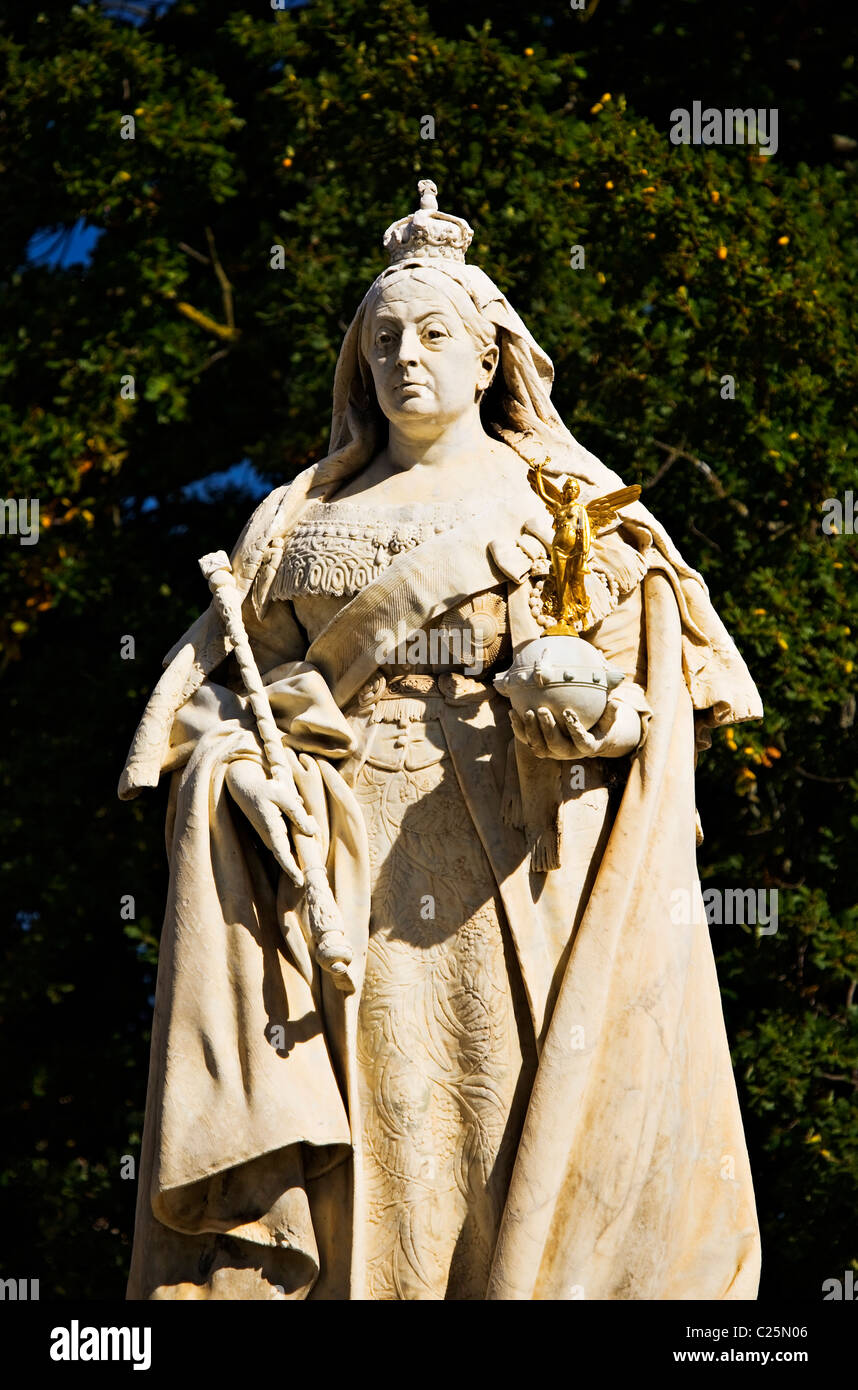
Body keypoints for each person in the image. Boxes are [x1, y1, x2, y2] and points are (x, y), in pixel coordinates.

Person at [119, 183, 763, 1301]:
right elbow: (223, 703)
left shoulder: (567, 502)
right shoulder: (292, 521)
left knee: (514, 1121)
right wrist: (231, 778)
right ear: (357, 366)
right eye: (382, 341)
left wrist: (583, 704)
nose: (405, 358)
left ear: (487, 357)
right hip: (340, 869)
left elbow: (642, 710)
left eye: (432, 336)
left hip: (520, 866)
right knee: (371, 1130)